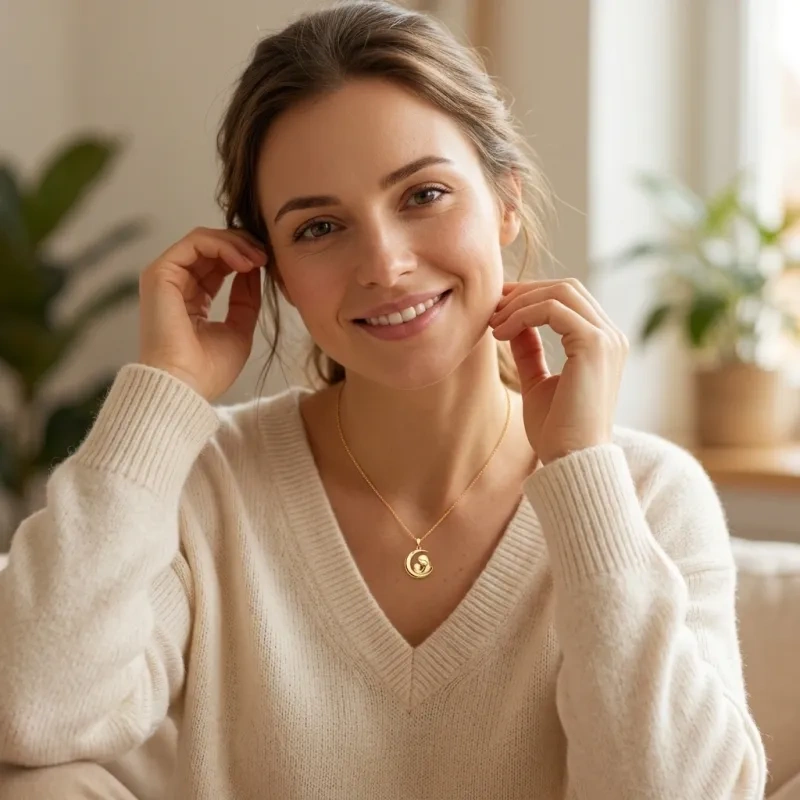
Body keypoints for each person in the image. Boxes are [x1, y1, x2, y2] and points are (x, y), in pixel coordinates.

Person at [0, 2, 767, 798]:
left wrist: (580, 472)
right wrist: (162, 392)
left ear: (506, 201)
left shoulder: (645, 494)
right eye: (320, 228)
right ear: (273, 274)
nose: (385, 263)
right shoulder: (207, 487)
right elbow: (37, 715)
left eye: (423, 195)